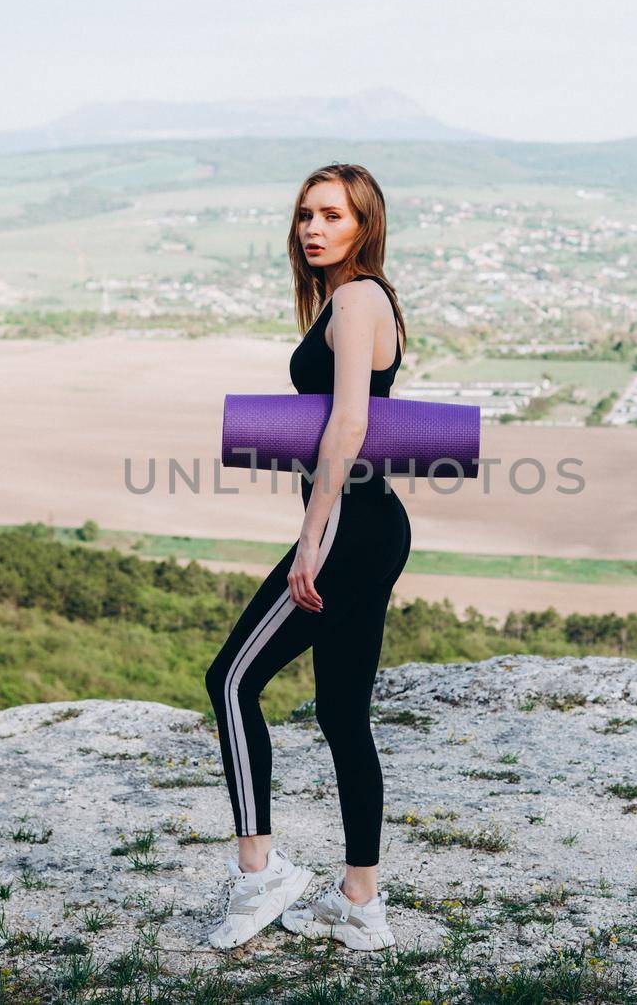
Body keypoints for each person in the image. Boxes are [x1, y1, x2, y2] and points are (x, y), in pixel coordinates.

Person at [204, 163, 412, 951]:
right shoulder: (355, 298)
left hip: (350, 532)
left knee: (230, 679)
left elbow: (351, 425)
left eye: (331, 214)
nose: (312, 228)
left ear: (365, 224)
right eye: (304, 215)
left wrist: (312, 533)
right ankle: (361, 899)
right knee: (341, 715)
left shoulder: (357, 300)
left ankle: (261, 876)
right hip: (372, 527)